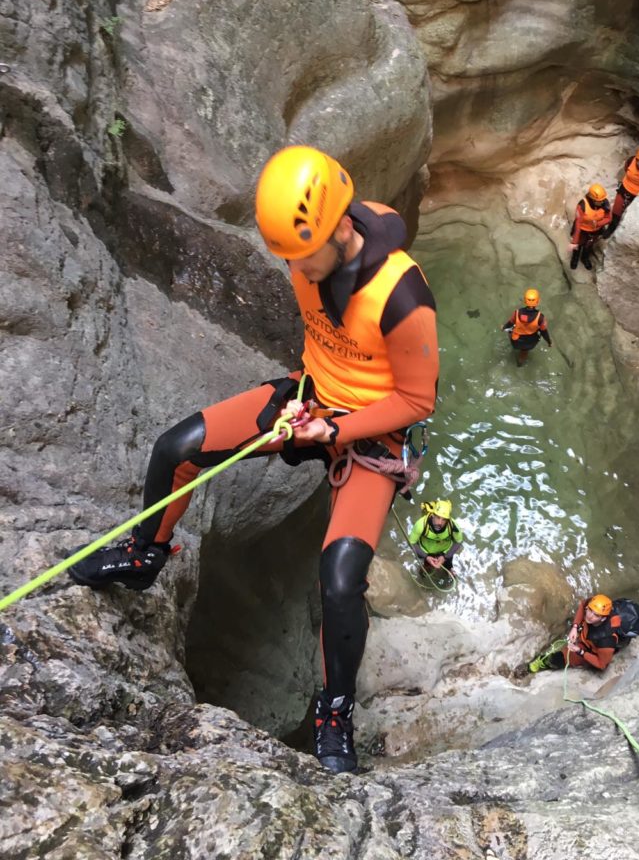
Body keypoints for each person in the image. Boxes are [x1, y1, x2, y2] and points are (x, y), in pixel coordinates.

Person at [69, 145, 440, 775]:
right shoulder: (314, 255)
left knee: (342, 579)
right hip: (310, 401)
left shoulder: (403, 296)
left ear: (339, 227)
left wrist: (335, 428)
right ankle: (143, 557)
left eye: (300, 254)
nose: (293, 267)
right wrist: (305, 413)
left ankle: (335, 711)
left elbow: (415, 398)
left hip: (369, 437)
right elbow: (322, 337)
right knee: (178, 449)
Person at [528, 594, 622, 673]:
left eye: (596, 615)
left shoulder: (606, 640)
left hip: (591, 650)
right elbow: (582, 605)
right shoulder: (592, 605)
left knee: (557, 660)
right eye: (589, 610)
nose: (590, 615)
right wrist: (575, 627)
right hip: (586, 638)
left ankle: (540, 665)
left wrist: (580, 651)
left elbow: (601, 664)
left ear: (604, 618)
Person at [605, 143, 639, 236]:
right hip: (625, 188)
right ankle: (611, 229)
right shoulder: (631, 161)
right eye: (638, 160)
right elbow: (626, 169)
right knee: (616, 211)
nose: (638, 163)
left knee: (631, 215)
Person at [408, 499, 464, 575]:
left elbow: (458, 541)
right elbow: (412, 543)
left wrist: (445, 557)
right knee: (426, 568)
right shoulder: (420, 525)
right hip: (427, 551)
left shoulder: (453, 526)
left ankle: (448, 569)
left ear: (448, 519)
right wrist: (426, 557)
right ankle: (425, 568)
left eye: (444, 519)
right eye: (438, 517)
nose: (440, 523)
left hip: (445, 551)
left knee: (448, 564)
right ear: (432, 515)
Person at [501, 288, 552, 366]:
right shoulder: (540, 317)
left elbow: (510, 323)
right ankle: (520, 363)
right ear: (537, 301)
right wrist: (549, 342)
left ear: (525, 300)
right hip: (530, 342)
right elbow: (544, 332)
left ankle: (514, 346)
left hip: (516, 341)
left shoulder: (517, 313)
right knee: (524, 352)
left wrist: (503, 327)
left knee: (510, 331)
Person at [569, 183, 611, 270]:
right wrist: (575, 241)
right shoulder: (582, 206)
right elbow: (578, 223)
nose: (602, 202)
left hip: (595, 230)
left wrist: (598, 224)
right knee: (578, 245)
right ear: (592, 199)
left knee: (589, 245)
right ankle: (575, 258)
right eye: (599, 201)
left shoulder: (605, 204)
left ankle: (585, 258)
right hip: (583, 229)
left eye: (602, 200)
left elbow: (608, 218)